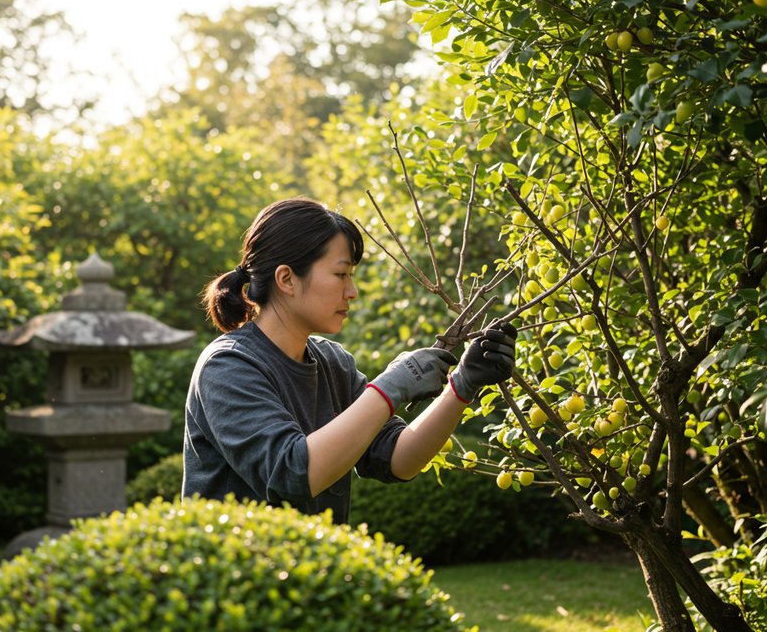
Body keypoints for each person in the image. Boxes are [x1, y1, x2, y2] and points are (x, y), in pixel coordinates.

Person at [182, 197, 517, 524]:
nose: (352, 290)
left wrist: (461, 385)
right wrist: (389, 388)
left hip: (320, 574)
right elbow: (290, 474)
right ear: (286, 279)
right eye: (341, 274)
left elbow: (398, 459)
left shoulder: (333, 362)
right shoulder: (228, 366)